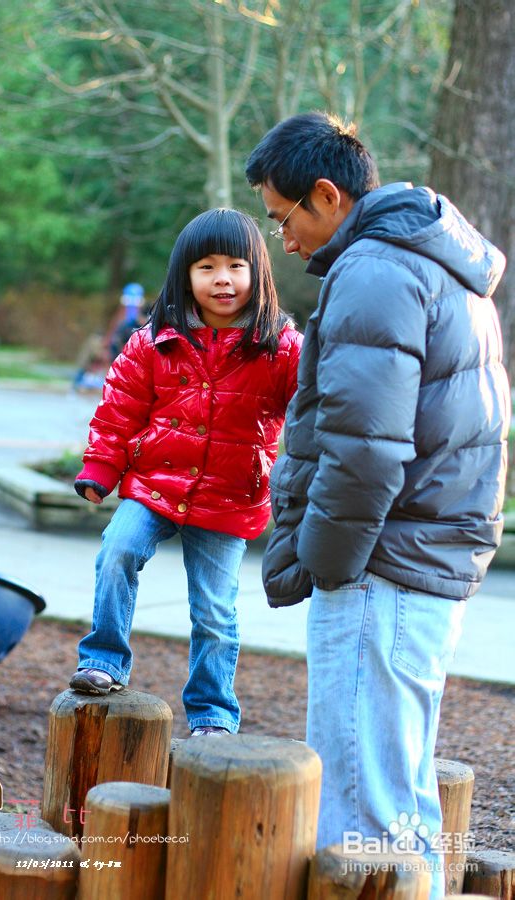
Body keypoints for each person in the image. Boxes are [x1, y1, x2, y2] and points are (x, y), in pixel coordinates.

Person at [245, 112, 509, 896]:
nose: (284, 243)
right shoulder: (437, 259)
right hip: (423, 558)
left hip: (383, 566)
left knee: (364, 819)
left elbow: (366, 450)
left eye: (283, 219)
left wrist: (324, 566)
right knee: (399, 804)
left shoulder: (376, 269)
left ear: (326, 195)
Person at [69, 208, 303, 737]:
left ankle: (213, 712)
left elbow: (313, 405)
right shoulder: (154, 341)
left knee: (215, 612)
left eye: (236, 266)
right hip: (155, 483)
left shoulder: (281, 348)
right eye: (207, 267)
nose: (222, 279)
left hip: (229, 496)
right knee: (117, 551)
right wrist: (100, 468)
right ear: (185, 275)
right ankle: (104, 659)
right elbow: (118, 409)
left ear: (257, 273)